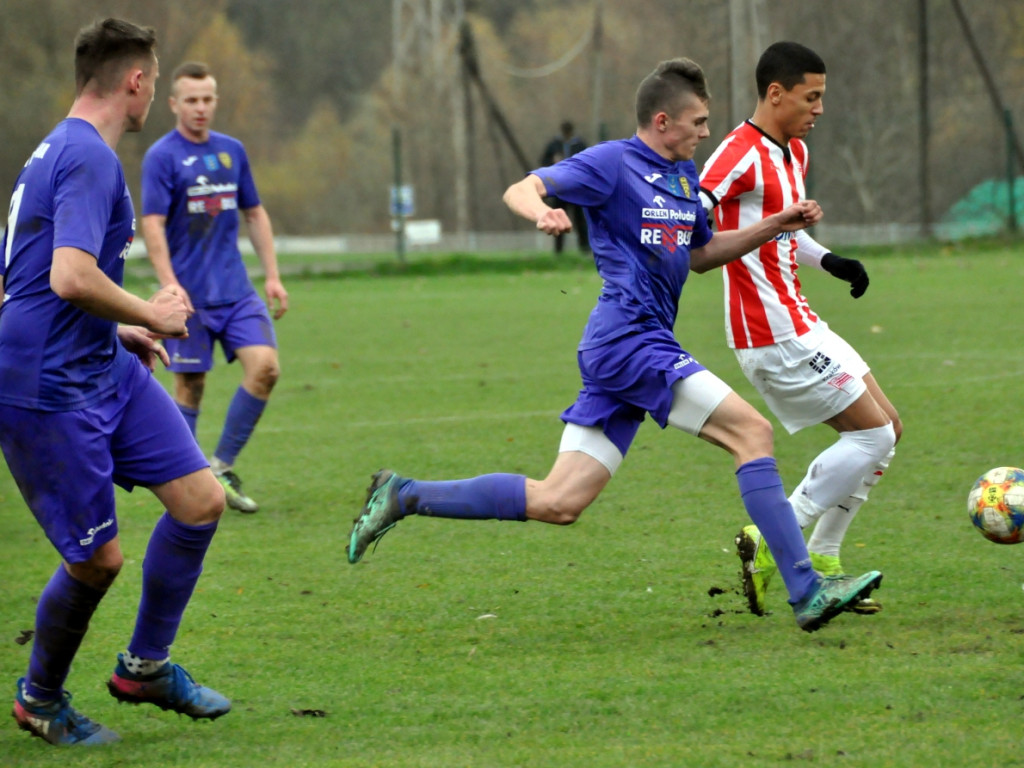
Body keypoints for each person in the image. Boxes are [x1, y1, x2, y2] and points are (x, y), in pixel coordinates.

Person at [347, 58, 883, 634]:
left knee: (560, 501)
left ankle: (404, 495)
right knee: (751, 433)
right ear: (662, 121)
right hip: (629, 340)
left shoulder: (682, 179)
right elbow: (522, 187)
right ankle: (805, 589)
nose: (706, 132)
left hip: (628, 350)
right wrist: (543, 212)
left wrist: (774, 223)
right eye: (698, 122)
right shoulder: (612, 163)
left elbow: (700, 256)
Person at [0, 19, 231, 747]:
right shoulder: (88, 158)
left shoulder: (56, 148)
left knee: (200, 500)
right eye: (156, 82)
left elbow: (30, 274)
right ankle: (40, 700)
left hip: (99, 363)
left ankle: (145, 667)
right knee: (97, 560)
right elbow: (69, 275)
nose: (155, 94)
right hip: (48, 388)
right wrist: (152, 314)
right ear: (135, 81)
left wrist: (118, 328)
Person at [698, 41, 902, 617]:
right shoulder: (738, 153)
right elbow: (694, 214)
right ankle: (774, 539)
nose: (818, 108)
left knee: (890, 429)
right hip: (771, 332)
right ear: (775, 93)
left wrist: (829, 259)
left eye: (822, 97)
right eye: (811, 97)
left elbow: (783, 229)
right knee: (873, 436)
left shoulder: (795, 154)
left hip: (801, 318)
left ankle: (827, 557)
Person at [141, 61, 288, 514]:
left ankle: (220, 468)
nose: (200, 108)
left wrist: (273, 275)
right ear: (174, 104)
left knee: (266, 368)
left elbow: (255, 213)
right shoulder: (162, 157)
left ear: (215, 101)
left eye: (207, 99)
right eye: (191, 100)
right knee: (191, 388)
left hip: (236, 290)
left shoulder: (232, 152)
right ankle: (186, 483)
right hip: (191, 298)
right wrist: (170, 285)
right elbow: (152, 223)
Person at [539, 120, 589, 253]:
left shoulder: (579, 145)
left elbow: (588, 163)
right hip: (559, 188)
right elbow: (544, 162)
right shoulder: (554, 145)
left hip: (577, 188)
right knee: (558, 219)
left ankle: (584, 248)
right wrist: (553, 162)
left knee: (580, 220)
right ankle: (558, 250)